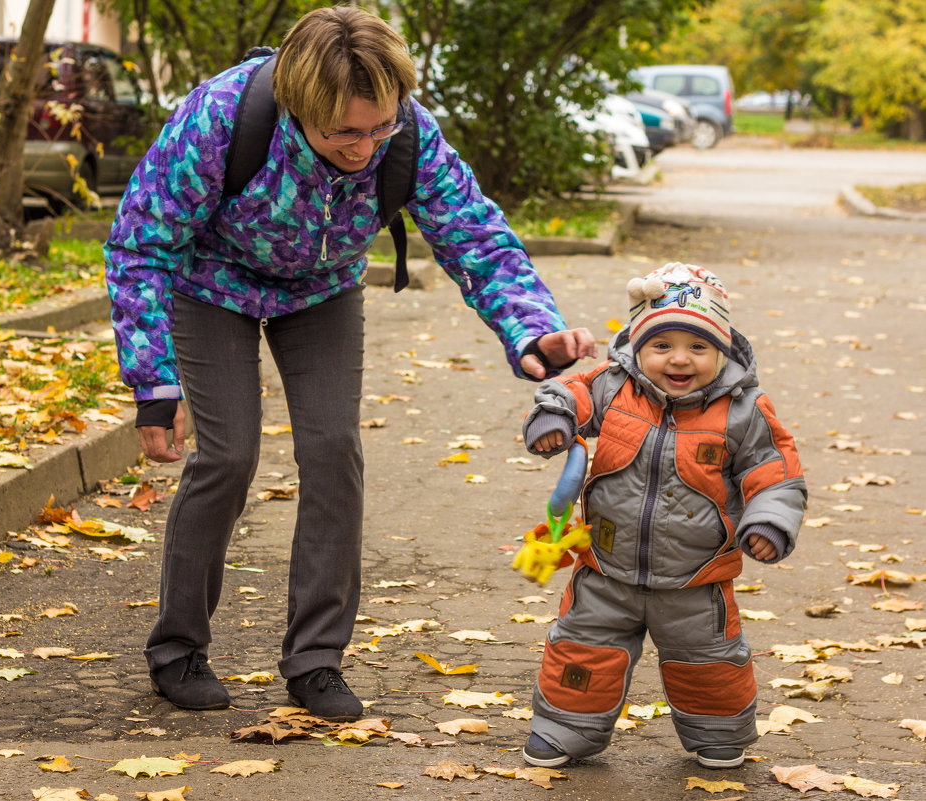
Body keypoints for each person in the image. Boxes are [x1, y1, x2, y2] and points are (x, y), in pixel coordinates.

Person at [103, 5, 596, 722]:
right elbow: (141, 241)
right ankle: (177, 646)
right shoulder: (221, 117)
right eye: (344, 133)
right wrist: (152, 382)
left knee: (334, 450)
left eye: (379, 128)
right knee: (228, 455)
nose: (365, 148)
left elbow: (474, 236)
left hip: (321, 290)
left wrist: (533, 331)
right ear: (301, 109)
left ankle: (316, 659)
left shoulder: (409, 134)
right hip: (210, 286)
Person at [518, 262, 807, 769]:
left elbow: (775, 471)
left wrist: (768, 521)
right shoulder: (612, 386)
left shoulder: (742, 410)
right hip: (605, 568)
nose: (679, 360)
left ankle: (718, 733)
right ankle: (565, 726)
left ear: (723, 351)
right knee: (583, 650)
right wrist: (553, 418)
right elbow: (569, 392)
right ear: (638, 347)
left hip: (696, 578)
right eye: (662, 346)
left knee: (708, 662)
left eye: (698, 347)